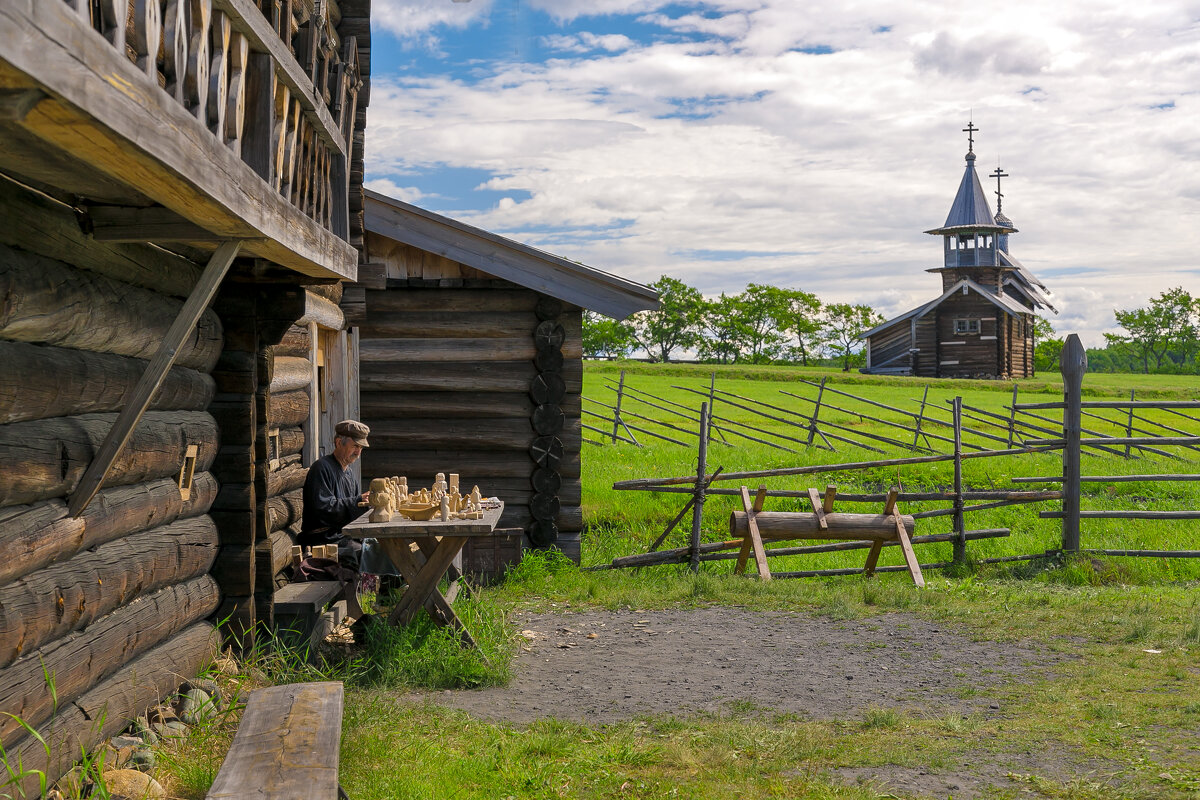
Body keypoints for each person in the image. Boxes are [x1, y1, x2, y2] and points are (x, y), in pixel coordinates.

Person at [298, 419, 371, 571]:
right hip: (322, 541)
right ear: (339, 443)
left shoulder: (349, 474)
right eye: (355, 446)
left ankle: (390, 590)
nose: (358, 452)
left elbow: (352, 512)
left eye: (361, 448)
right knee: (366, 553)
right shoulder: (321, 468)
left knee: (376, 546)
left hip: (341, 537)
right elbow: (324, 509)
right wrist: (357, 501)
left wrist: (368, 505)